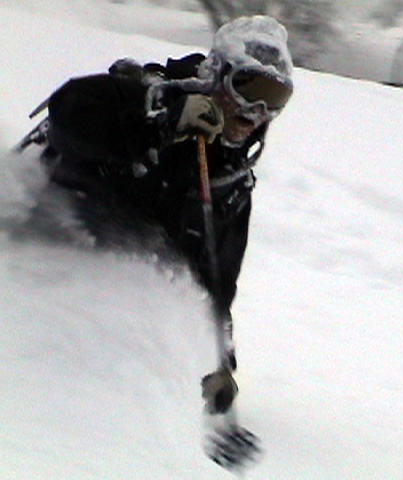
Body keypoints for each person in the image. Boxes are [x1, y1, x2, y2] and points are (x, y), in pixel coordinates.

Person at [25, 15, 294, 414]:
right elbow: (70, 108)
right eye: (249, 88)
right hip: (43, 244)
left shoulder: (231, 184)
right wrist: (161, 127)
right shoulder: (154, 95)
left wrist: (218, 360)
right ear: (219, 74)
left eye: (276, 98)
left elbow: (216, 279)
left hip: (110, 297)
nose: (258, 110)